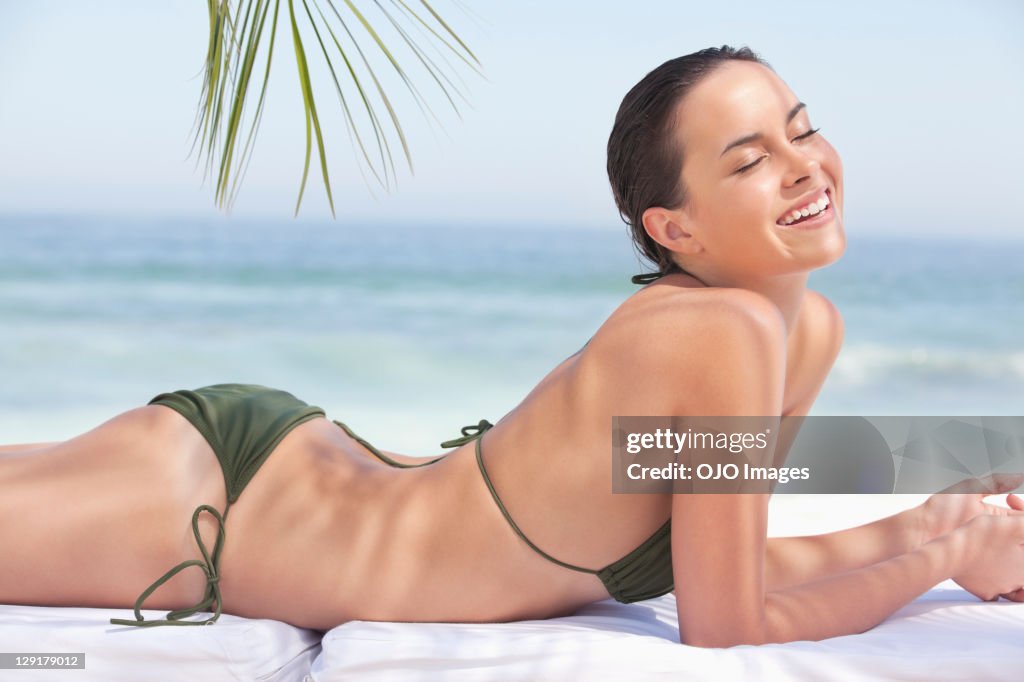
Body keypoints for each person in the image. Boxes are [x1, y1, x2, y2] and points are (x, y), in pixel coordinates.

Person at [1, 45, 1022, 647]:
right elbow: (728, 624)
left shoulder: (801, 325)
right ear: (674, 229)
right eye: (752, 160)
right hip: (210, 518)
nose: (805, 168)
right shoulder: (724, 329)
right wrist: (945, 554)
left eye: (802, 130)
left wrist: (924, 524)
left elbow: (727, 558)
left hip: (288, 466)